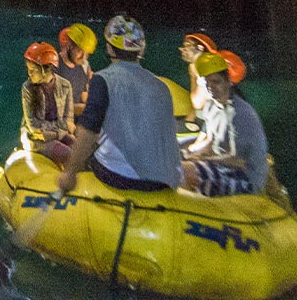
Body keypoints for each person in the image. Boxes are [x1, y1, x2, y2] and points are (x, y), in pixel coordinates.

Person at [57, 15, 182, 194]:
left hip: (121, 177)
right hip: (166, 179)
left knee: (91, 151)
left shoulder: (103, 79)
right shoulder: (161, 86)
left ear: (109, 47)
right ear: (142, 49)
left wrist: (69, 174)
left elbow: (88, 131)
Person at [182, 51, 269, 197]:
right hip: (222, 165)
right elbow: (210, 140)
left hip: (246, 178)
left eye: (216, 82)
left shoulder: (240, 113)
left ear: (228, 81)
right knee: (180, 166)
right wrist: (191, 152)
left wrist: (201, 159)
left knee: (185, 173)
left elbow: (238, 161)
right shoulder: (211, 105)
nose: (211, 87)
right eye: (207, 82)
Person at [20, 42, 75, 164]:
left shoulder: (65, 85)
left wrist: (57, 132)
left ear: (46, 70)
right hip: (35, 139)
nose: (29, 73)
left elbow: (69, 119)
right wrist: (59, 132)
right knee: (69, 154)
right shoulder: (27, 88)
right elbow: (34, 126)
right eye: (28, 69)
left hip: (56, 133)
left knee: (80, 148)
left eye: (33, 70)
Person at [56, 23, 96, 116]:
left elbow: (84, 96)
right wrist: (86, 108)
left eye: (86, 53)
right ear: (67, 48)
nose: (84, 57)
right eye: (79, 51)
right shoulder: (53, 68)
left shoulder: (83, 66)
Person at [179, 32, 220, 112]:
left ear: (200, 48)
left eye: (187, 45)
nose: (181, 49)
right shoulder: (195, 67)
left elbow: (197, 104)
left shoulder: (208, 68)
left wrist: (194, 77)